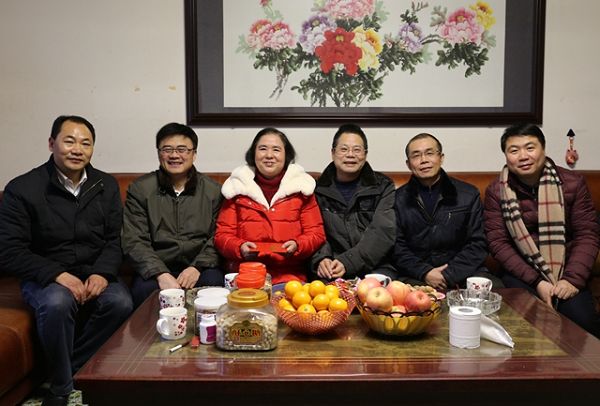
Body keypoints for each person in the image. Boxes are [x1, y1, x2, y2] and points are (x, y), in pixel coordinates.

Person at [0, 115, 132, 406]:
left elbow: (114, 240)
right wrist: (57, 275)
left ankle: (71, 369)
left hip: (93, 270)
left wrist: (102, 273)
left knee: (120, 302)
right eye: (69, 141)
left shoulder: (105, 184)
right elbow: (9, 250)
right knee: (58, 303)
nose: (77, 149)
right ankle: (61, 387)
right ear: (52, 144)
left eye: (86, 143)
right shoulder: (23, 188)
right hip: (46, 276)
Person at [484, 123, 600, 337]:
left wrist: (572, 279)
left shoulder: (572, 183)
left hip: (567, 270)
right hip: (522, 273)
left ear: (543, 149)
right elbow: (498, 243)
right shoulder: (496, 190)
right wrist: (537, 282)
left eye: (530, 148)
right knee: (521, 325)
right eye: (514, 150)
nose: (523, 156)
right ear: (506, 156)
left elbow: (587, 234)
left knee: (583, 323)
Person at [122, 122, 224, 308]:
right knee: (144, 292)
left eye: (182, 149)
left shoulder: (213, 191)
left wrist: (196, 267)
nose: (174, 155)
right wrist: (160, 273)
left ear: (194, 154)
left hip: (200, 266)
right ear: (159, 153)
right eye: (167, 149)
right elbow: (134, 239)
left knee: (213, 284)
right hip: (155, 268)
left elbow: (218, 236)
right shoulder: (141, 189)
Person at [215, 127, 326, 285]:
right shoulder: (236, 187)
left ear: (286, 155)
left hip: (289, 276)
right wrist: (240, 247)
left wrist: (298, 245)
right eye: (262, 149)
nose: (269, 155)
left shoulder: (302, 188)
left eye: (276, 150)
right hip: (245, 275)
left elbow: (316, 234)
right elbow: (222, 235)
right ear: (253, 154)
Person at [392, 133, 499, 290]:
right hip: (415, 276)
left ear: (441, 158)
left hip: (464, 273)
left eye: (430, 153)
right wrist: (425, 272)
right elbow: (396, 247)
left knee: (499, 294)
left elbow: (479, 243)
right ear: (408, 164)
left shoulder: (468, 194)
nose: (424, 160)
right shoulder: (397, 199)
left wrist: (448, 274)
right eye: (416, 155)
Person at [310, 123, 398, 281]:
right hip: (332, 267)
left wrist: (348, 262)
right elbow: (314, 230)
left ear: (365, 154)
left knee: (380, 293)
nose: (350, 155)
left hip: (376, 266)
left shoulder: (383, 187)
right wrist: (321, 258)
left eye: (357, 150)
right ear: (333, 153)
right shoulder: (316, 189)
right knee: (320, 293)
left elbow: (382, 232)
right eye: (344, 149)